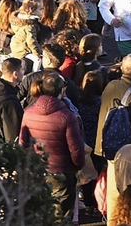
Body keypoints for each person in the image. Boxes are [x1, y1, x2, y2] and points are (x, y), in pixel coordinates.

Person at [19, 70, 86, 218]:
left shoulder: (28, 113)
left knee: (40, 213)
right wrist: (78, 166)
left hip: (37, 170)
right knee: (61, 215)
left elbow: (22, 143)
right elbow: (75, 148)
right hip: (61, 172)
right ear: (62, 90)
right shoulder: (67, 116)